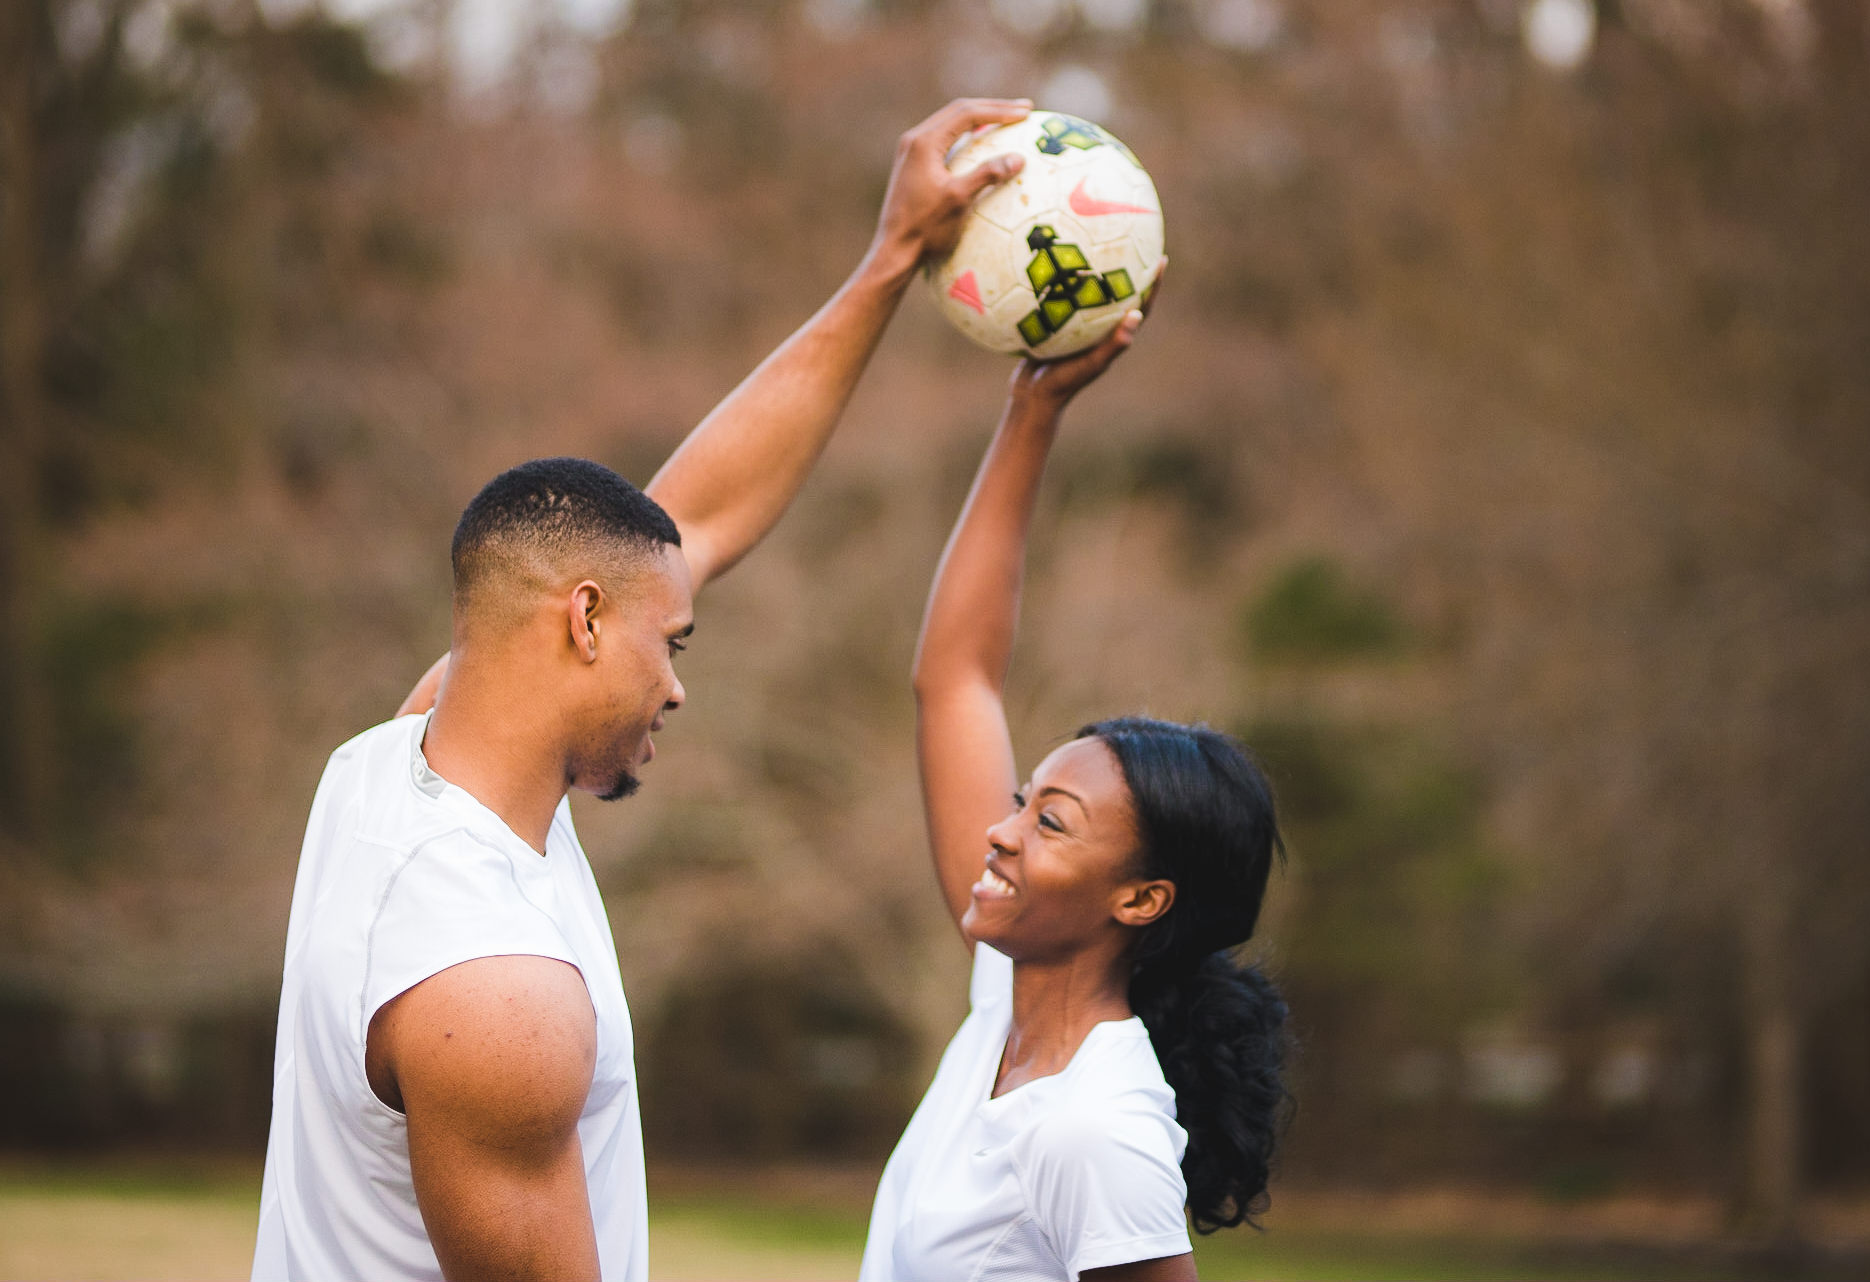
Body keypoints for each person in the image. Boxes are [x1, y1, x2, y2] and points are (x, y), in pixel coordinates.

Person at [251, 98, 1036, 1282]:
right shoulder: (494, 992)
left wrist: (890, 263)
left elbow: (692, 522)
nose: (675, 687)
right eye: (675, 644)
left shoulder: (400, 752)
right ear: (582, 621)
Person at [859, 279, 1292, 1282]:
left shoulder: (1093, 1128)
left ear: (1140, 897)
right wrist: (1031, 410)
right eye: (1021, 802)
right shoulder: (1002, 1006)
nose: (1003, 831)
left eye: (1050, 822)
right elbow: (956, 677)